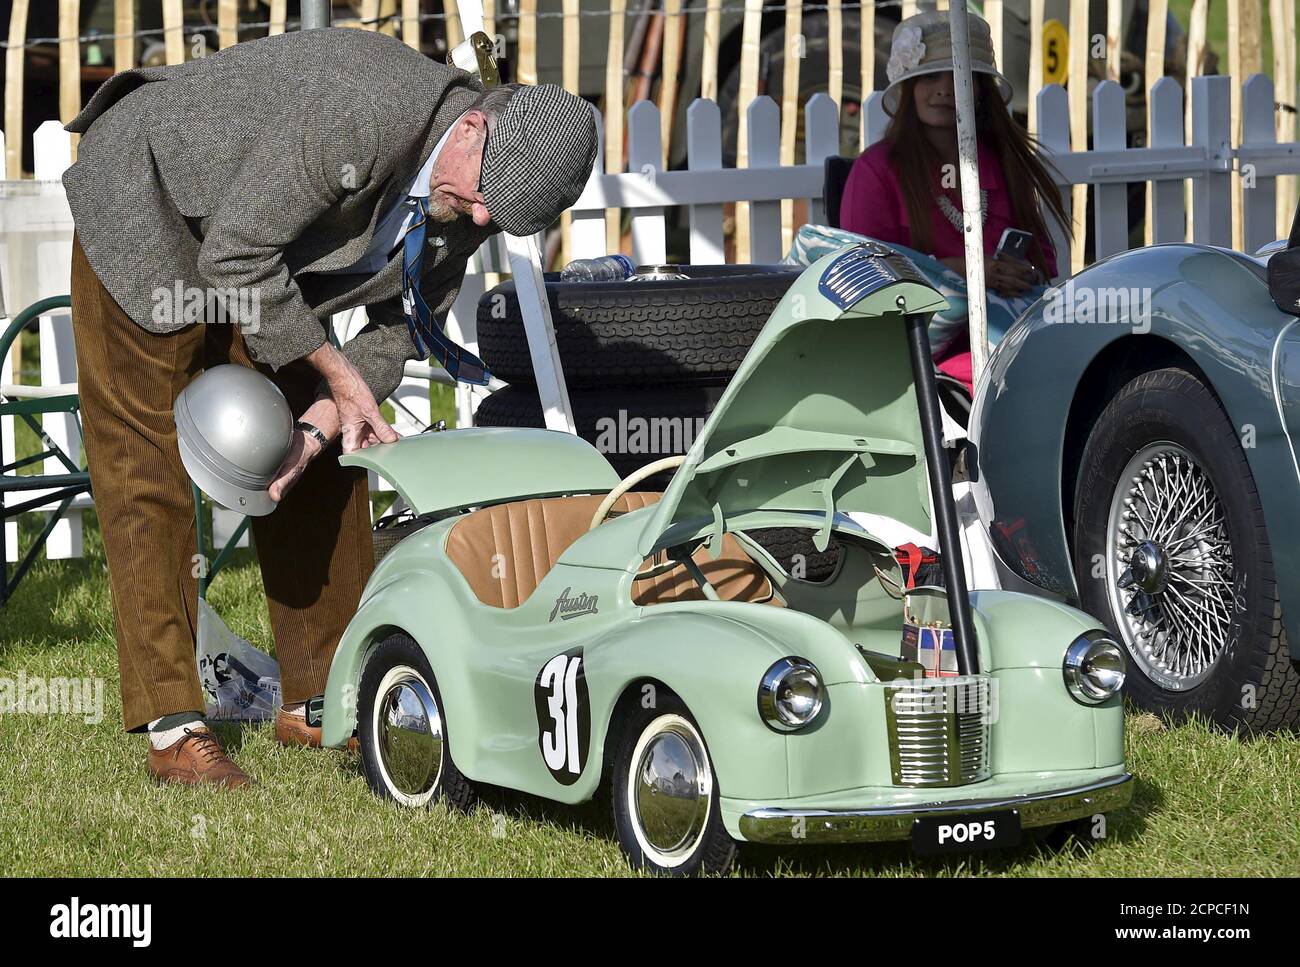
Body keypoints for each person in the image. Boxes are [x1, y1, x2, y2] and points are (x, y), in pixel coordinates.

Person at [61, 26, 598, 788]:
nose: (480, 223)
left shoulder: (476, 190)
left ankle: (323, 702)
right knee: (143, 464)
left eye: (498, 218)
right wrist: (336, 372)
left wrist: (321, 420)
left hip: (250, 247)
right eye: (485, 199)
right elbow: (236, 256)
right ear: (473, 125)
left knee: (330, 445)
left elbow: (404, 325)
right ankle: (174, 727)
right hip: (149, 202)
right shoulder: (366, 111)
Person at [841, 10, 1068, 385]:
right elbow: (867, 282)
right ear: (908, 89)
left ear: (981, 91)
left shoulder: (1003, 161)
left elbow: (1043, 262)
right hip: (914, 359)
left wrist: (1023, 275)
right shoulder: (877, 170)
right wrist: (966, 271)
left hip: (1009, 338)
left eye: (961, 77)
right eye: (929, 76)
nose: (945, 89)